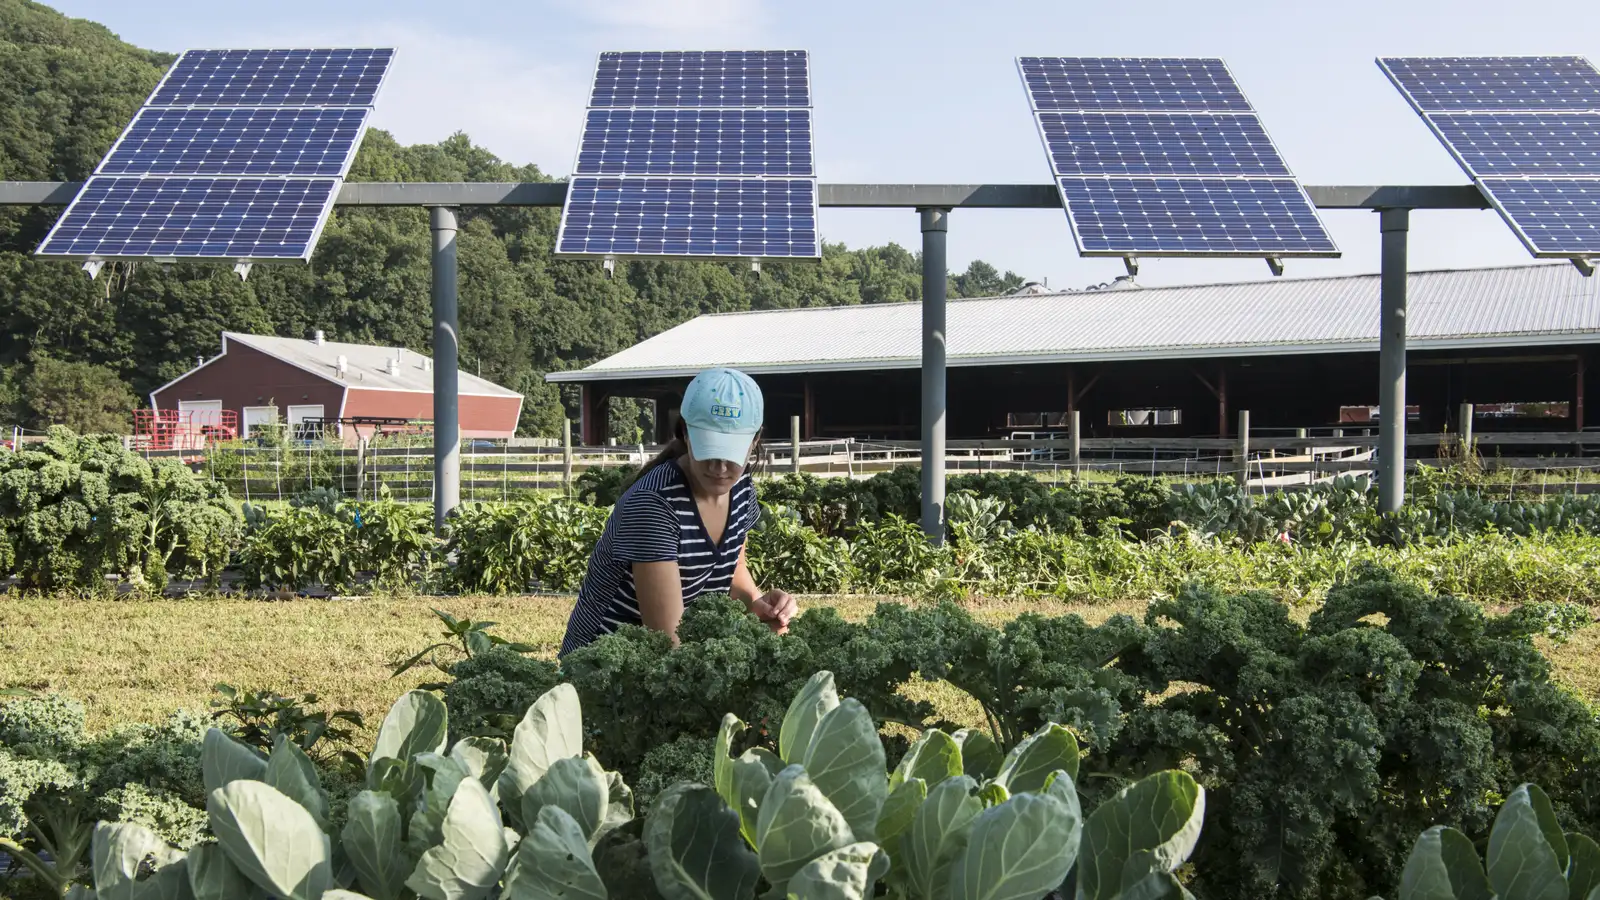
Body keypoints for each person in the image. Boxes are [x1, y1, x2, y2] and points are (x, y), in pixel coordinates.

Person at [559, 367, 797, 655]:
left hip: (670, 655)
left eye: (731, 454)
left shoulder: (741, 488)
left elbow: (733, 568)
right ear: (685, 432)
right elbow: (666, 640)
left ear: (755, 440)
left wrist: (759, 604)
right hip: (605, 665)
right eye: (709, 451)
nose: (720, 468)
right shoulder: (654, 504)